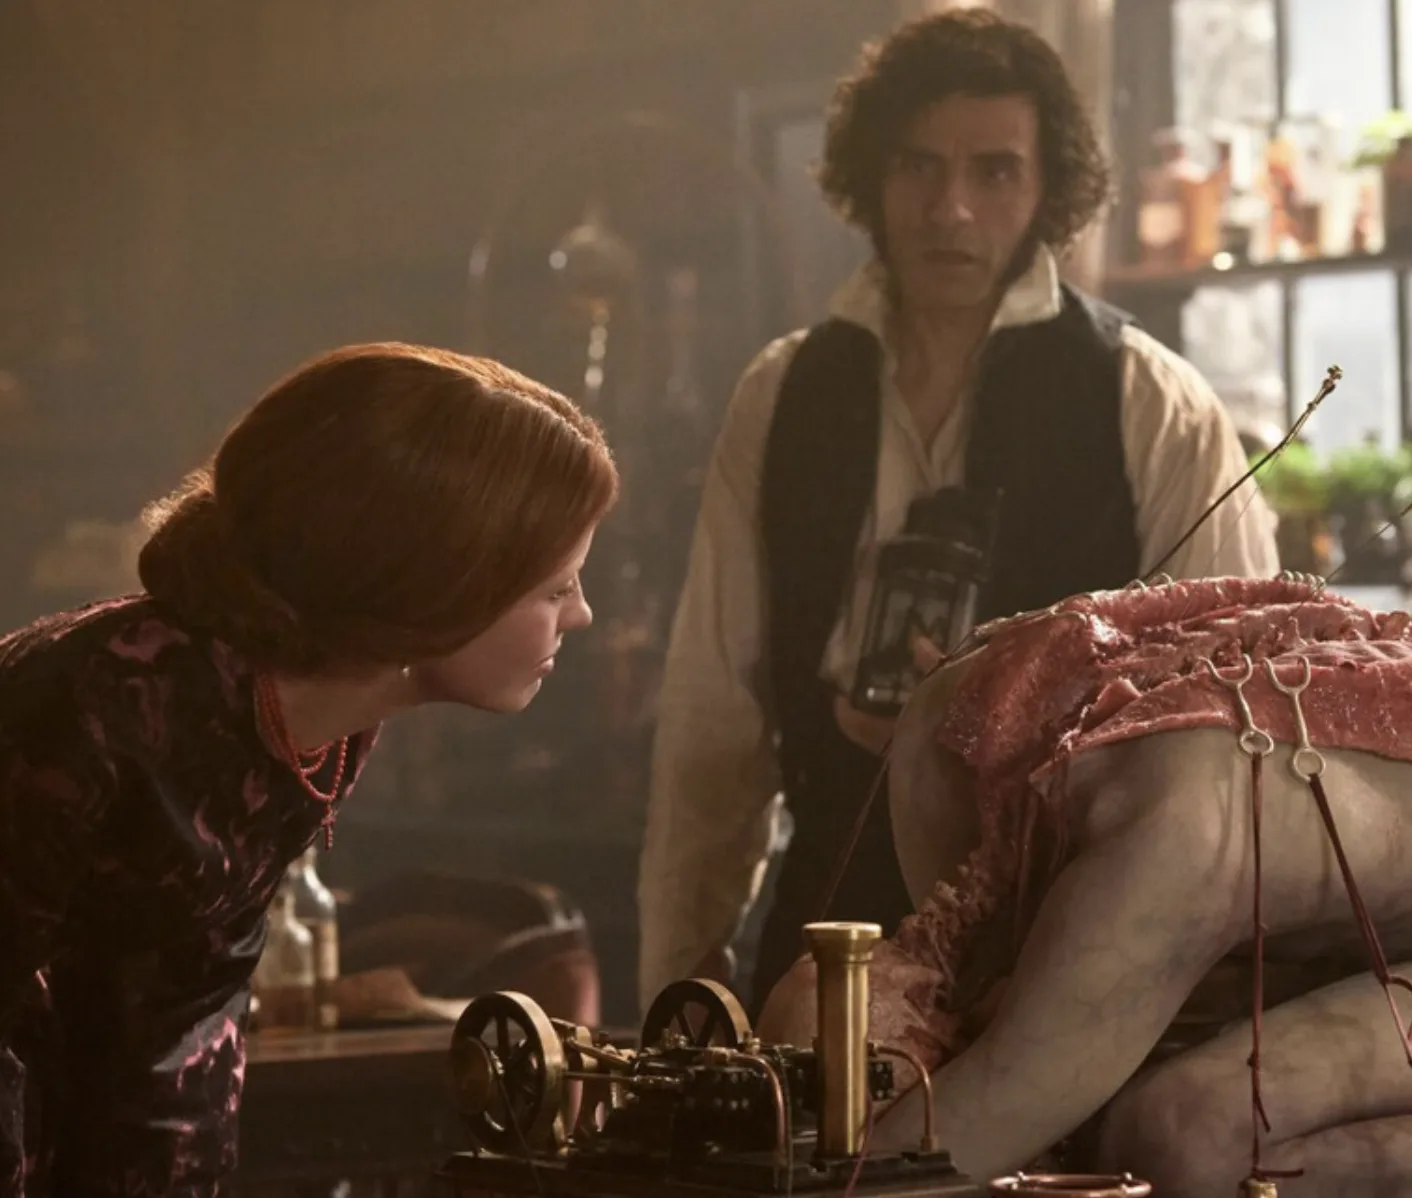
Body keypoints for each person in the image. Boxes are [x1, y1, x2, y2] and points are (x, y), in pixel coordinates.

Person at [637, 7, 1280, 1017]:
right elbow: (712, 716)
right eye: (918, 166)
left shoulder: (1146, 399)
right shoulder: (783, 395)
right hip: (823, 935)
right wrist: (680, 984)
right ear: (870, 175)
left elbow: (1232, 722)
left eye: (994, 171)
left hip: (1065, 956)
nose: (950, 208)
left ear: (1048, 188)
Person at [0, 342, 617, 1196]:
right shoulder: (97, 708)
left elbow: (185, 1035)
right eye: (556, 589)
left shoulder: (326, 719)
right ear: (436, 583)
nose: (582, 616)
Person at [758, 575, 1412, 1195]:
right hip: (1259, 844)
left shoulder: (1161, 845)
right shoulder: (950, 720)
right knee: (1107, 1099)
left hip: (1210, 832)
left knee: (1187, 1136)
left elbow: (914, 1169)